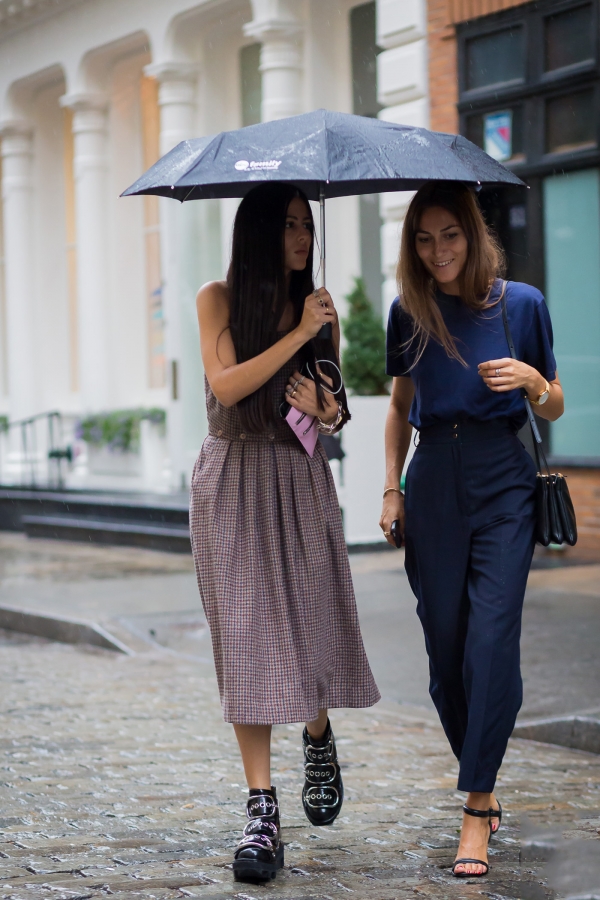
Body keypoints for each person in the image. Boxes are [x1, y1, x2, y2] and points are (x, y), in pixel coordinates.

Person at [191, 182, 380, 884]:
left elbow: (334, 409)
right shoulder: (218, 298)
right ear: (261, 231)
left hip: (298, 482)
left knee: (306, 627)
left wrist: (327, 406)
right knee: (248, 637)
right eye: (291, 224)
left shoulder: (320, 308)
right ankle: (261, 810)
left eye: (308, 224)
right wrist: (296, 333)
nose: (303, 237)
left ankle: (319, 731)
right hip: (232, 479)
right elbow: (229, 384)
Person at [380, 182, 563, 878]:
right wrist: (391, 486)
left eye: (449, 235)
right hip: (432, 484)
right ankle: (480, 767)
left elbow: (555, 404)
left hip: (502, 479)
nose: (439, 251)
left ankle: (477, 806)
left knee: (491, 639)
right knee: (447, 648)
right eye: (424, 240)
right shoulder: (409, 312)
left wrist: (532, 382)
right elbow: (400, 407)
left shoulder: (523, 305)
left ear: (473, 233)